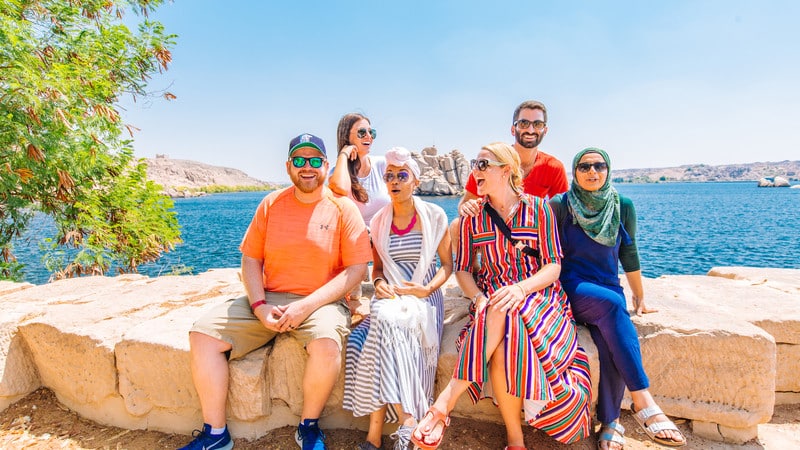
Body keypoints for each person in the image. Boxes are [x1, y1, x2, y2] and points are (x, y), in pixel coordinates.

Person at [179, 133, 372, 450]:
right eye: (299, 160)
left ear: (325, 166)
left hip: (321, 303)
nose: (307, 167)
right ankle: (215, 435)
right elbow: (251, 258)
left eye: (314, 160)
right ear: (288, 166)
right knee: (203, 335)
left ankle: (308, 427)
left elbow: (356, 270)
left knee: (326, 345)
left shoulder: (343, 209)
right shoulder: (271, 203)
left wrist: (305, 306)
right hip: (269, 298)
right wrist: (258, 306)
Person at [411, 142, 592, 450]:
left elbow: (553, 266)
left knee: (504, 308)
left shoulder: (539, 209)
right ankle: (514, 440)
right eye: (474, 164)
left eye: (483, 165)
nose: (475, 171)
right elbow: (463, 270)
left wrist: (520, 289)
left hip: (537, 294)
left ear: (506, 171)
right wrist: (477, 298)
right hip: (493, 298)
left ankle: (444, 404)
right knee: (502, 332)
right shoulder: (472, 217)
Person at [549, 148, 686, 449]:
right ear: (575, 171)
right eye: (585, 166)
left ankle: (610, 421)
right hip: (571, 287)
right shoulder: (560, 205)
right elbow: (545, 251)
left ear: (608, 170)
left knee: (610, 338)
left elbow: (629, 251)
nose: (592, 171)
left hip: (608, 288)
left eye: (599, 166)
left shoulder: (622, 205)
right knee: (612, 308)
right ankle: (643, 400)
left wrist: (640, 295)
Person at [343, 147, 453, 450]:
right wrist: (378, 283)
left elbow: (447, 266)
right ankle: (407, 421)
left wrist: (426, 290)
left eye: (402, 175)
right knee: (369, 331)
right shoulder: (379, 221)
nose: (394, 181)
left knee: (385, 324)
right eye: (389, 176)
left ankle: (376, 433)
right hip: (390, 295)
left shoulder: (435, 215)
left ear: (415, 181)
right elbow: (377, 269)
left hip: (424, 295)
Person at [328, 112, 391, 225]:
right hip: (358, 235)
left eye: (371, 132)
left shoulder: (383, 164)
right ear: (346, 137)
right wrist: (343, 154)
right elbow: (340, 188)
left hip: (386, 234)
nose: (369, 136)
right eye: (362, 132)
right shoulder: (338, 173)